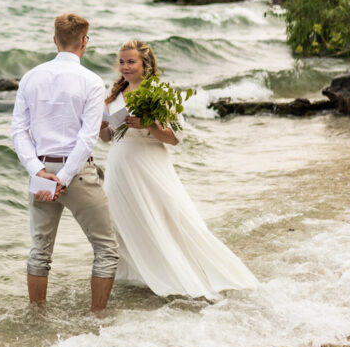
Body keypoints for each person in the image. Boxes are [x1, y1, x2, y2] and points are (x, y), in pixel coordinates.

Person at [99, 39, 258, 300]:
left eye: (131, 61)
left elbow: (174, 138)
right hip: (119, 166)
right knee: (121, 222)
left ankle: (179, 273)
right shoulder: (113, 94)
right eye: (122, 62)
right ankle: (137, 278)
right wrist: (99, 125)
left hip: (149, 166)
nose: (125, 67)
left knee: (168, 219)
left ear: (145, 64)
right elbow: (106, 138)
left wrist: (148, 125)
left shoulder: (161, 92)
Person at [11, 13, 119, 313]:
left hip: (42, 170)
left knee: (40, 251)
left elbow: (18, 132)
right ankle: (97, 319)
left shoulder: (31, 77)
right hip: (78, 173)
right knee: (106, 250)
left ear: (54, 39)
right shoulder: (92, 82)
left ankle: (37, 317)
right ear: (84, 42)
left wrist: (39, 171)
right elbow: (87, 138)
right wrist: (66, 175)